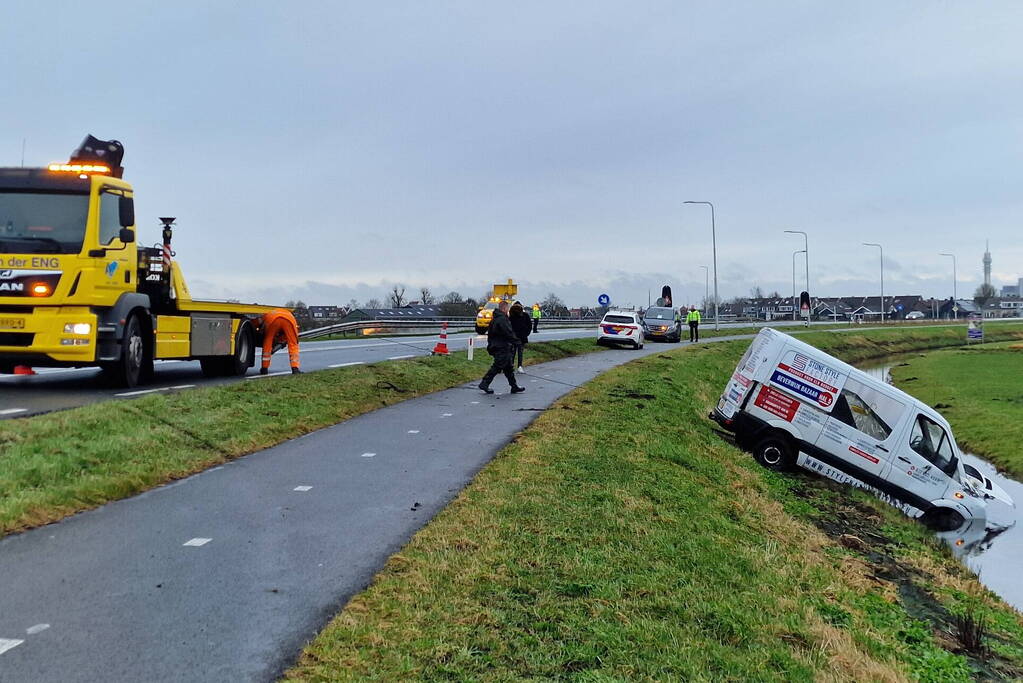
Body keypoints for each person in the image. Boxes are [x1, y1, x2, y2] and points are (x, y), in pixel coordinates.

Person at [478, 300, 525, 394]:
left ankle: (514, 386)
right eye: (507, 308)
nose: (508, 310)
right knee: (497, 366)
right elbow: (508, 333)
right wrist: (517, 342)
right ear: (504, 308)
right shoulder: (502, 319)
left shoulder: (495, 318)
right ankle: (484, 383)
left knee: (508, 368)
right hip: (501, 347)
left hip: (497, 345)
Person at [256, 308, 301, 374]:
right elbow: (294, 338)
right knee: (293, 344)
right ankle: (295, 368)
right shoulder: (290, 315)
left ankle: (264, 368)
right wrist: (283, 341)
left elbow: (260, 323)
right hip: (288, 320)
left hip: (272, 319)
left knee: (268, 341)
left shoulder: (268, 313)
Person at [509, 301, 532, 372]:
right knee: (520, 352)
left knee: (513, 352)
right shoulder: (525, 315)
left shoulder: (511, 316)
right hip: (521, 337)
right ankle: (519, 366)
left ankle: (511, 366)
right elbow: (529, 326)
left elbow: (508, 327)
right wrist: (526, 334)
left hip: (514, 337)